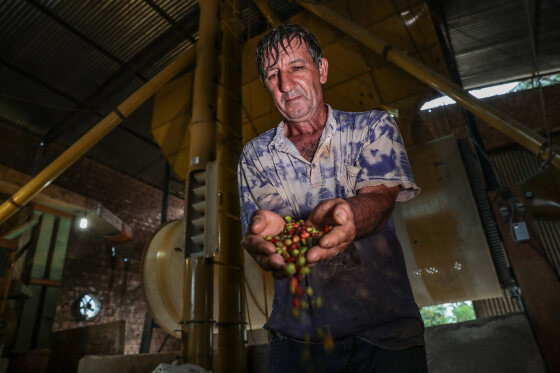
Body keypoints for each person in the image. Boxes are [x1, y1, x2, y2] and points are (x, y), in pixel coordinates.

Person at [238, 24, 427, 372]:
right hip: (298, 340)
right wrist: (267, 239)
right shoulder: (255, 155)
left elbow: (380, 200)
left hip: (386, 332)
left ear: (321, 70)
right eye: (272, 75)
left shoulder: (372, 127)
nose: (285, 84)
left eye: (297, 67)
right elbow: (267, 230)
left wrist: (346, 213)